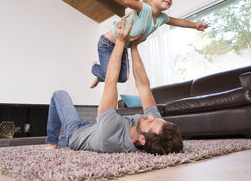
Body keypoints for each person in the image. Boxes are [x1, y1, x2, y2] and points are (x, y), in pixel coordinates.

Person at [46, 17, 183, 155]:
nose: (152, 117)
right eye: (156, 119)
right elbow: (143, 86)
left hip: (76, 133)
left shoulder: (110, 135)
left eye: (150, 122)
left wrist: (120, 41)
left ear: (142, 140)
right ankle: (60, 141)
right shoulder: (156, 129)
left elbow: (111, 81)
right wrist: (134, 46)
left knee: (59, 94)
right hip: (92, 128)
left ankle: (52, 143)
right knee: (81, 133)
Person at [85, 0, 210, 88]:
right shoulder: (144, 9)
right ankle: (96, 69)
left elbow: (178, 21)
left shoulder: (162, 18)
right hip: (107, 44)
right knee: (110, 76)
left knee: (122, 77)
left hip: (122, 47)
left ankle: (100, 75)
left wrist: (195, 26)